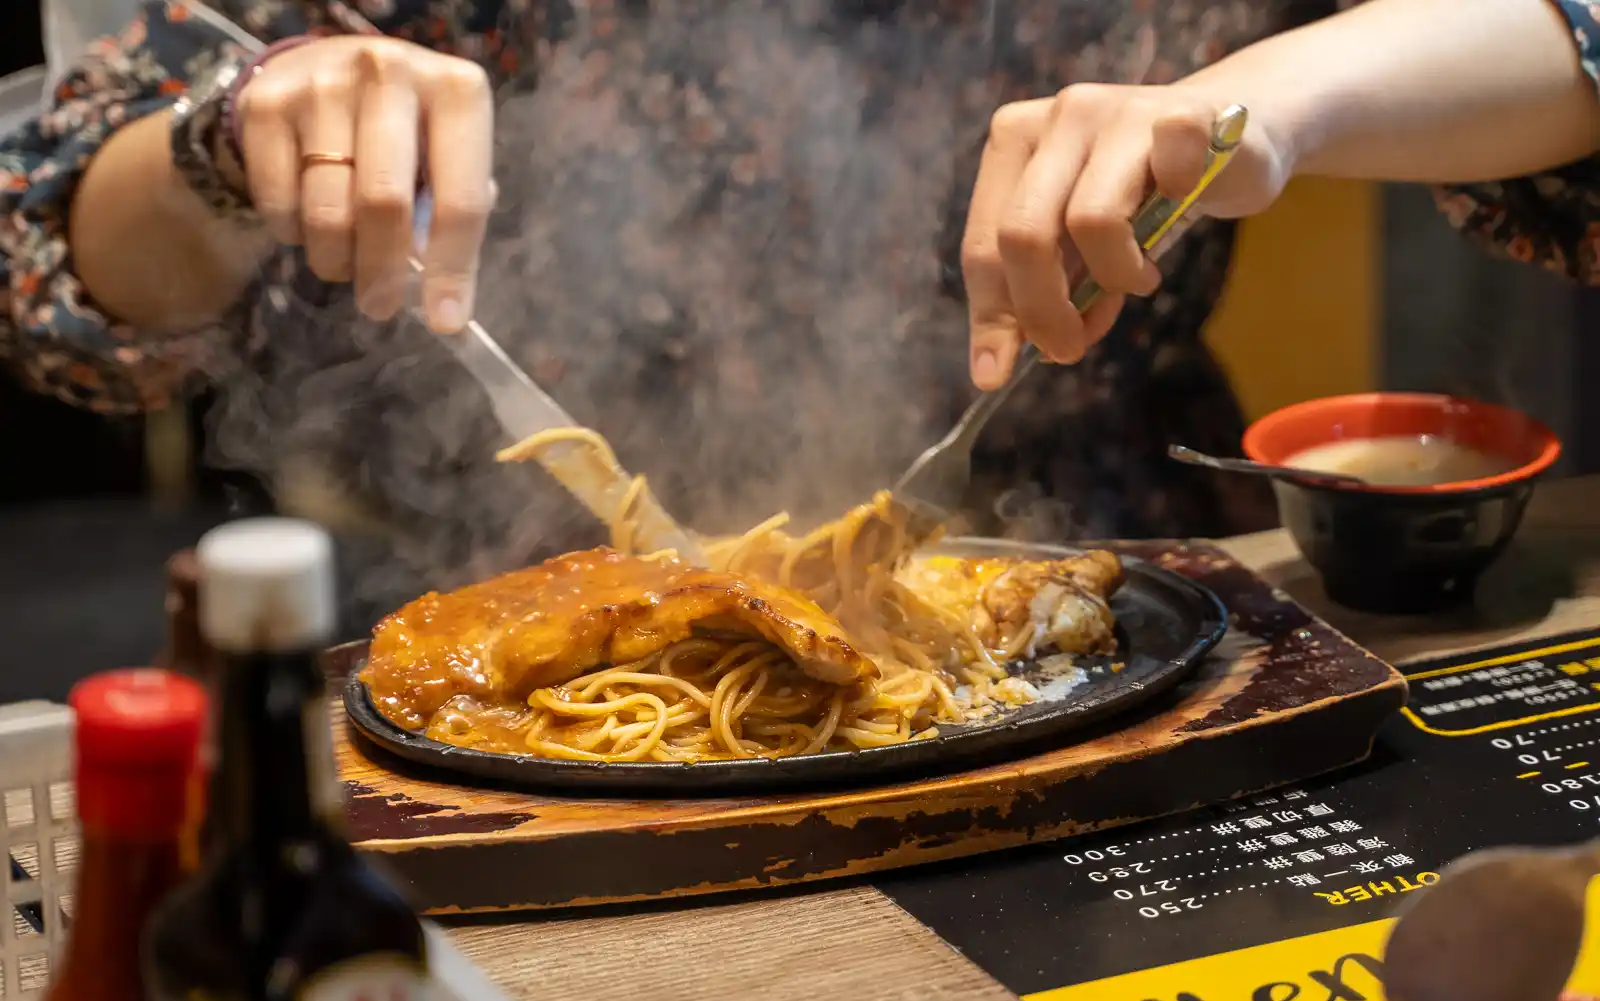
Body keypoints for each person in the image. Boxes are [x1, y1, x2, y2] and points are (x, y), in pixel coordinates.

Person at [1, 1, 1599, 613]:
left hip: (1107, 579)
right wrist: (228, 143)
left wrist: (1282, 96)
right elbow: (55, 265)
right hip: (524, 625)